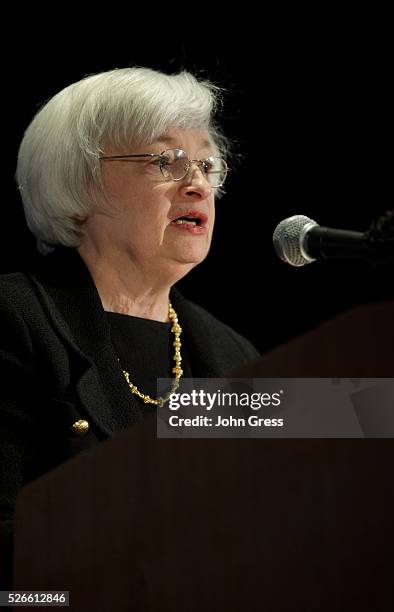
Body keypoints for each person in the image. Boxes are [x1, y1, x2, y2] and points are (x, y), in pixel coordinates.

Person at [0, 67, 259, 588]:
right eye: (165, 161)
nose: (197, 184)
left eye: (208, 165)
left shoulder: (231, 356)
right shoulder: (15, 317)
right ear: (79, 181)